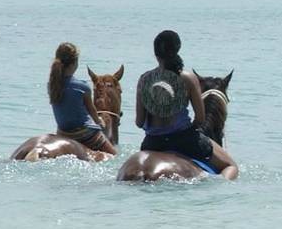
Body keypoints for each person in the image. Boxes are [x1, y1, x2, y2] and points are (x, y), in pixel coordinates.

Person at [134, 29, 239, 180]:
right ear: (177, 49)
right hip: (184, 140)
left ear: (156, 53)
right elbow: (200, 118)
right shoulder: (188, 78)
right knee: (231, 166)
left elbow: (139, 122)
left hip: (152, 143)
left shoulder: (144, 79)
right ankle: (219, 191)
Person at [48, 41, 117, 156]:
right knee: (113, 156)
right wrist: (100, 122)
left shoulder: (52, 85)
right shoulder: (82, 86)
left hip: (62, 133)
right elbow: (93, 113)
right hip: (84, 134)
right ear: (74, 63)